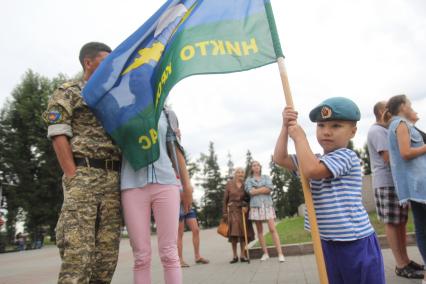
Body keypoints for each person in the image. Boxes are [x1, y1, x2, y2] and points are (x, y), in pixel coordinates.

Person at [274, 97, 385, 284]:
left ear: (353, 131)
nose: (326, 132)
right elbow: (280, 157)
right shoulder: (313, 158)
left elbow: (312, 171)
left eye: (335, 126)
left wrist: (300, 137)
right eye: (321, 125)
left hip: (354, 242)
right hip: (326, 241)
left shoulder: (346, 156)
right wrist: (286, 127)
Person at [43, 42, 122, 283]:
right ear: (88, 62)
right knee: (78, 255)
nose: (110, 66)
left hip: (112, 180)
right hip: (83, 175)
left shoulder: (113, 97)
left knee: (106, 258)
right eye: (105, 61)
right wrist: (72, 174)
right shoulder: (68, 91)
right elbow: (58, 133)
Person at [120, 106, 193, 284]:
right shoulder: (121, 110)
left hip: (166, 182)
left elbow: (175, 149)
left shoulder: (166, 113)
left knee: (169, 253)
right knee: (141, 257)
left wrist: (187, 185)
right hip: (132, 184)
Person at [367, 101, 423, 279]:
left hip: (396, 182)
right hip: (386, 183)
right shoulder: (377, 131)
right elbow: (388, 157)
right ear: (383, 111)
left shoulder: (388, 128)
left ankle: (406, 260)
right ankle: (400, 264)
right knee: (392, 223)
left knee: (401, 222)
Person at [385, 94, 426, 284]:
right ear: (402, 106)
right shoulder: (401, 124)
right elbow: (406, 152)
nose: (411, 106)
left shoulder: (397, 124)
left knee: (422, 228)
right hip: (420, 186)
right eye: (409, 103)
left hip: (416, 187)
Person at [167, 109, 209, 268]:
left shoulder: (180, 162)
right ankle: (179, 259)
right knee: (179, 233)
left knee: (195, 229)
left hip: (186, 201)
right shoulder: (167, 164)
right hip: (176, 201)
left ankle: (198, 256)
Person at [245, 161, 285, 262]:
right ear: (252, 168)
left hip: (267, 205)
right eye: (254, 165)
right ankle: (265, 253)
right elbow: (250, 191)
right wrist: (263, 188)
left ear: (260, 167)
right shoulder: (249, 180)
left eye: (258, 165)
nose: (256, 167)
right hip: (256, 206)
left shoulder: (266, 177)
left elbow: (270, 188)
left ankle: (280, 253)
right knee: (260, 231)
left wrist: (256, 190)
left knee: (272, 229)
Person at [223, 167, 254, 263]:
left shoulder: (246, 184)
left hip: (243, 210)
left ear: (244, 174)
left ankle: (242, 255)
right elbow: (225, 200)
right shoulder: (229, 184)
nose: (240, 174)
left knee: (244, 233)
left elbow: (249, 198)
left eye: (242, 172)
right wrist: (224, 212)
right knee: (234, 233)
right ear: (235, 174)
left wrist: (247, 206)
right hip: (232, 210)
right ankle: (234, 256)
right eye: (238, 172)